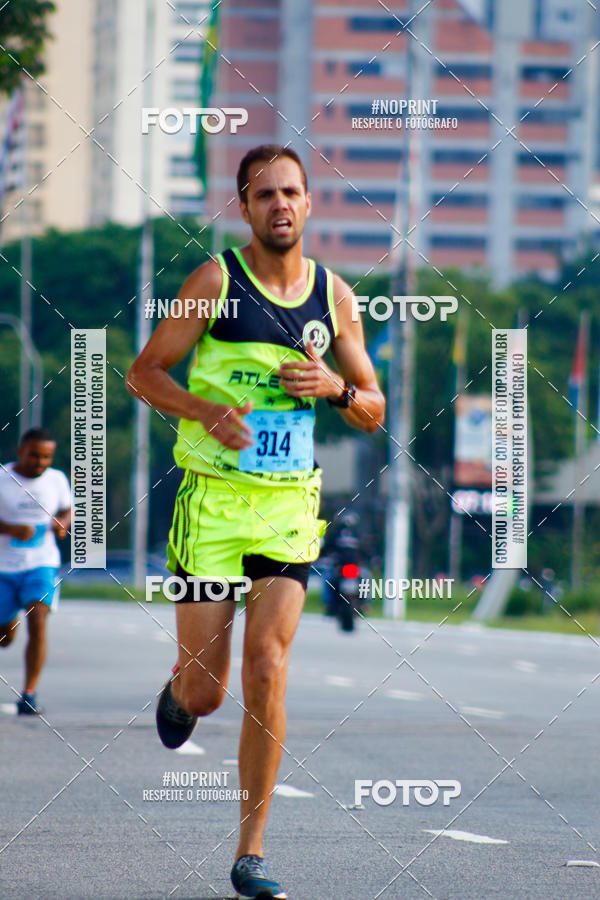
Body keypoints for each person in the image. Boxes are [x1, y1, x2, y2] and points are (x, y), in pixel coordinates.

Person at [127, 144, 385, 899]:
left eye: (293, 193)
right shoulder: (214, 281)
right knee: (208, 694)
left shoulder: (335, 296)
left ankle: (251, 852)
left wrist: (338, 389)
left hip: (287, 509)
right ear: (243, 206)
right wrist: (208, 411)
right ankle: (179, 695)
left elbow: (374, 409)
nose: (280, 205)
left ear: (309, 205)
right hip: (211, 504)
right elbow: (145, 373)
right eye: (264, 194)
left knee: (268, 667)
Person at [0, 428, 72, 715]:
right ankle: (8, 622)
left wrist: (63, 522)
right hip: (4, 567)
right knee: (4, 638)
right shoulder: (3, 478)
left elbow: (68, 509)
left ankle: (29, 694)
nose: (40, 462)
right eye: (34, 455)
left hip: (42, 563)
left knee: (39, 620)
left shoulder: (57, 479)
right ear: (21, 451)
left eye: (46, 456)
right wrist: (9, 529)